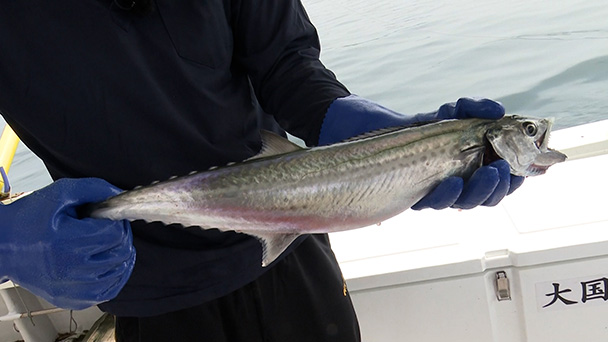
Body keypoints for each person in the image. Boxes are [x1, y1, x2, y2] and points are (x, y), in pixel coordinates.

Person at [0, 1, 523, 341]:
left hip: (293, 246)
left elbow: (284, 59)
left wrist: (330, 112)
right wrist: (5, 238)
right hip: (144, 285)